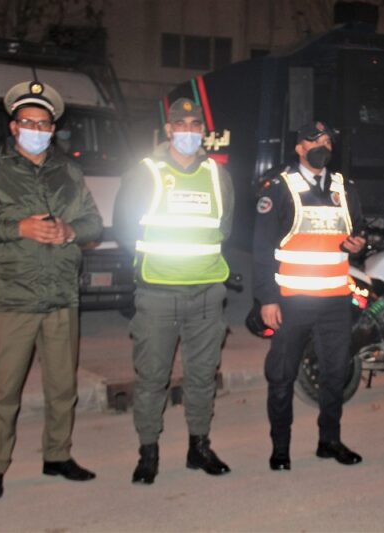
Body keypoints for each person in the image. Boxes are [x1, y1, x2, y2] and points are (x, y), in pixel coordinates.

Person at [0, 81, 103, 499]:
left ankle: (57, 455)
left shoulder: (69, 172)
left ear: (53, 129)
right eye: (28, 122)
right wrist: (16, 228)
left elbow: (93, 223)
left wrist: (70, 231)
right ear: (14, 127)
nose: (36, 130)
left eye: (43, 124)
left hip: (60, 298)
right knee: (3, 389)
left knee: (63, 387)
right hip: (10, 297)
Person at [113, 98, 235, 484]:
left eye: (195, 124)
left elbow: (225, 227)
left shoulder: (217, 175)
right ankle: (148, 452)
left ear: (203, 131)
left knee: (202, 376)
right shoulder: (145, 172)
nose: (188, 131)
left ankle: (199, 447)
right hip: (158, 294)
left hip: (207, 294)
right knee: (152, 378)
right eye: (181, 124)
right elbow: (124, 228)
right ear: (168, 130)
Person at [253, 121, 366, 470]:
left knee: (335, 374)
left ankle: (329, 442)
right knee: (282, 375)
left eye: (328, 141)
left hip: (335, 299)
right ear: (299, 148)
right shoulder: (280, 187)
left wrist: (358, 243)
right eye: (314, 141)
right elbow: (262, 249)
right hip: (292, 300)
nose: (323, 146)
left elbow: (358, 228)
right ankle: (280, 448)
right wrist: (267, 299)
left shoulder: (344, 187)